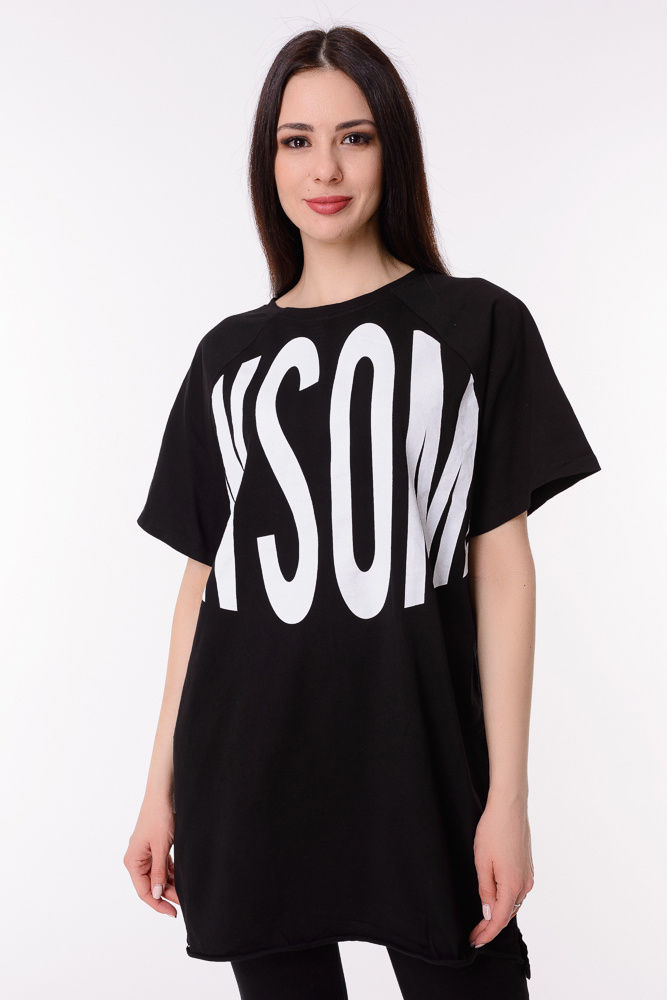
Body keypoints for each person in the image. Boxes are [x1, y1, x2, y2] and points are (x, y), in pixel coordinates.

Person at [124, 25, 601, 1000]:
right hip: (247, 770)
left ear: (393, 149)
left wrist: (506, 798)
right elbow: (203, 585)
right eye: (295, 140)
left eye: (355, 136)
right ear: (268, 163)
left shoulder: (478, 326)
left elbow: (502, 568)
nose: (325, 168)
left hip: (418, 765)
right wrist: (156, 790)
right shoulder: (226, 358)